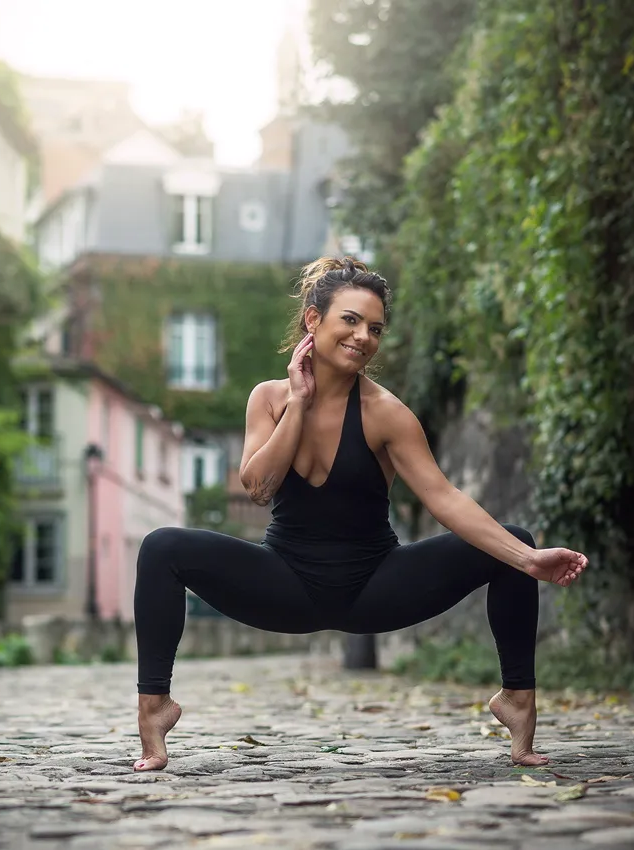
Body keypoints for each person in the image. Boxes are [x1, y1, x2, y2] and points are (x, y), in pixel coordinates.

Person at [132, 256, 589, 772]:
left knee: (514, 540)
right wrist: (299, 404)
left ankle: (517, 701)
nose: (363, 336)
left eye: (375, 328)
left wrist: (527, 560)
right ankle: (155, 708)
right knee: (161, 547)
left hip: (375, 587)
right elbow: (258, 487)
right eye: (350, 320)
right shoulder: (269, 399)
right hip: (285, 584)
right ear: (313, 320)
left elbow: (443, 498)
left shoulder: (386, 413)